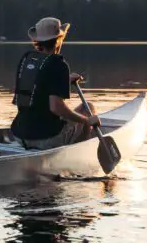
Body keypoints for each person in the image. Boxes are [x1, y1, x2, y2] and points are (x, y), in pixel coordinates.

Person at [11, 17, 101, 150]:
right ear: (59, 40)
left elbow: (37, 87)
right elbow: (56, 107)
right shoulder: (59, 64)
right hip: (46, 139)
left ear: (37, 41)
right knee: (88, 109)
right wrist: (85, 120)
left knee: (79, 115)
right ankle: (79, 154)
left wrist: (63, 80)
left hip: (19, 136)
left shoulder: (27, 60)